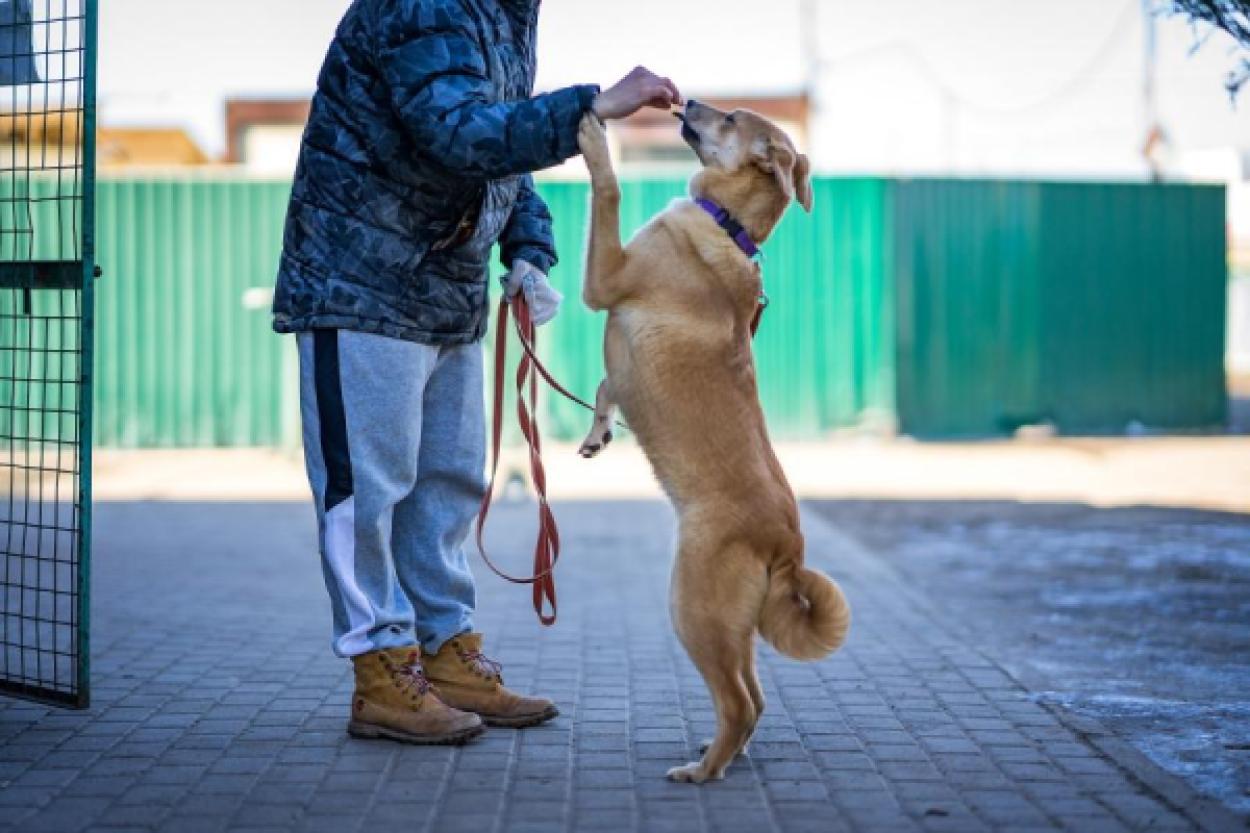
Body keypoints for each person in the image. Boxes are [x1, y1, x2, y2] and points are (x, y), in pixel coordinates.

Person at [272, 0, 681, 745]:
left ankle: (448, 653)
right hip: (357, 283)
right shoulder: (426, 5)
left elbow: (501, 156)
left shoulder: (503, 17)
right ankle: (381, 671)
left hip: (443, 293)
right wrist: (593, 104)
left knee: (449, 485)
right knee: (366, 492)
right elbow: (456, 132)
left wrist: (529, 246)